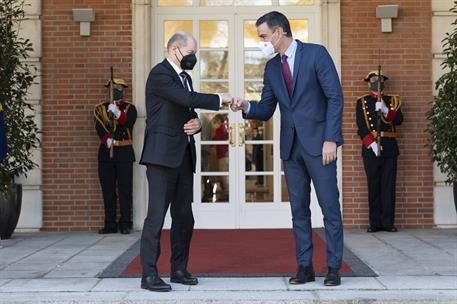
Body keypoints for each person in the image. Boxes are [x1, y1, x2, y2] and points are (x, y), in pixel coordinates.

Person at [231, 11, 344, 286]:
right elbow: (267, 109)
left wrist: (331, 138)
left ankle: (333, 268)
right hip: (291, 149)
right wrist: (245, 106)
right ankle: (305, 267)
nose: (262, 41)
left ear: (279, 32)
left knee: (329, 208)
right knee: (299, 211)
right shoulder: (271, 68)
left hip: (320, 146)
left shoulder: (317, 55)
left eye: (264, 35)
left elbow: (335, 97)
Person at [139, 31, 232, 292]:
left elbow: (188, 112)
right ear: (175, 50)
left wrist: (198, 125)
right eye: (191, 52)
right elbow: (186, 99)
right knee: (156, 217)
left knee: (184, 217)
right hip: (161, 157)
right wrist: (220, 99)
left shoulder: (185, 78)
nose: (194, 57)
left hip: (183, 156)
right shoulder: (160, 74)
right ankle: (148, 275)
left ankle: (178, 269)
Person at [356, 70, 403, 233]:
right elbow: (361, 127)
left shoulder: (392, 100)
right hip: (371, 149)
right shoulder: (362, 102)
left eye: (380, 79)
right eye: (374, 80)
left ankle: (388, 223)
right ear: (369, 83)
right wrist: (372, 144)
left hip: (389, 147)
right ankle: (374, 223)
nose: (377, 82)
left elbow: (399, 120)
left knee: (388, 186)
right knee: (373, 185)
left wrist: (385, 110)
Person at [93, 78, 137, 235]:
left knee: (125, 190)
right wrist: (107, 140)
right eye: (112, 87)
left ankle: (125, 223)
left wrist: (117, 113)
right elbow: (99, 128)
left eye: (118, 87)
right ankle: (110, 223)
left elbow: (128, 123)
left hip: (124, 152)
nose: (115, 89)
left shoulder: (129, 108)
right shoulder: (100, 109)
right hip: (107, 154)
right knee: (108, 190)